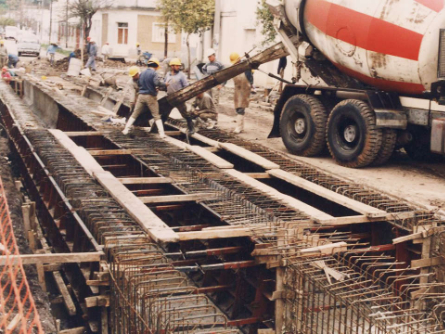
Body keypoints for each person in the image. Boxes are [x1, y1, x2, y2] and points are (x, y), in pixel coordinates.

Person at [122, 58, 167, 137]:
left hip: (141, 96)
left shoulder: (142, 73)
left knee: (134, 114)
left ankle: (126, 129)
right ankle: (162, 134)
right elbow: (157, 83)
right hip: (150, 96)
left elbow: (139, 84)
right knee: (156, 115)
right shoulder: (154, 73)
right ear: (156, 66)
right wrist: (164, 85)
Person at [164, 58, 195, 134]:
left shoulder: (182, 75)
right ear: (172, 66)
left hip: (178, 98)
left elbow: (186, 86)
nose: (178, 67)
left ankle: (191, 128)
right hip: (169, 98)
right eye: (177, 66)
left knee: (185, 113)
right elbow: (165, 84)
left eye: (179, 66)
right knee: (164, 113)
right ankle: (160, 128)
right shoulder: (168, 74)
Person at [230, 52, 253, 134]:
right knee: (237, 107)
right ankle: (241, 127)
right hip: (237, 89)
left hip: (244, 89)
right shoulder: (234, 68)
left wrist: (248, 58)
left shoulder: (245, 66)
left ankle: (239, 127)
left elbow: (250, 75)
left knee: (241, 108)